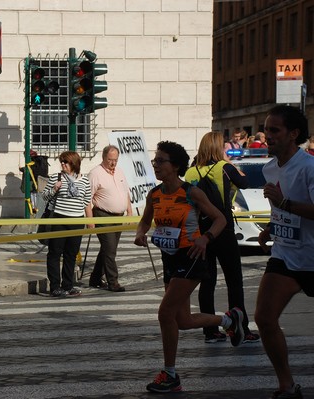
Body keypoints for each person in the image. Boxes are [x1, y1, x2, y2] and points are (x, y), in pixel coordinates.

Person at [134, 141, 244, 393]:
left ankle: (170, 375)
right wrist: (141, 233)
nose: (155, 165)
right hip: (169, 258)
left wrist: (206, 238)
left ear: (175, 166)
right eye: (155, 160)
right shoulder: (154, 194)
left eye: (160, 161)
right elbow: (144, 221)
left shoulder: (191, 193)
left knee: (165, 314)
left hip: (191, 256)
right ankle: (228, 320)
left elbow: (220, 219)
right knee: (181, 320)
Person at [255, 105, 313, 399]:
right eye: (266, 129)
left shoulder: (310, 167)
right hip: (286, 256)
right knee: (264, 318)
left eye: (274, 130)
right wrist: (271, 227)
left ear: (294, 134)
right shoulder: (269, 168)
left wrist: (285, 203)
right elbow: (279, 208)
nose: (267, 136)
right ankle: (287, 386)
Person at [185, 132, 260, 344]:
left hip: (200, 231)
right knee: (234, 281)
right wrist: (229, 163)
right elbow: (244, 184)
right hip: (223, 228)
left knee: (206, 282)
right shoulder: (224, 167)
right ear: (218, 148)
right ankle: (240, 328)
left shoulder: (190, 171)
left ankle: (210, 331)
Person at [41, 151, 92, 298]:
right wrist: (54, 188)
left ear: (74, 164)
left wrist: (90, 220)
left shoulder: (84, 181)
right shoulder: (56, 178)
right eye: (62, 162)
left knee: (71, 255)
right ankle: (55, 286)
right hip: (59, 220)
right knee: (55, 254)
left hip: (76, 221)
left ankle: (68, 285)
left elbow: (86, 200)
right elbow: (44, 196)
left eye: (66, 162)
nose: (63, 165)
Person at [87, 145, 132, 292]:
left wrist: (129, 212)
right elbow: (87, 198)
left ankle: (95, 278)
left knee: (108, 249)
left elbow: (126, 193)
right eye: (110, 160)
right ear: (104, 158)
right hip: (103, 214)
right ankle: (113, 281)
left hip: (118, 216)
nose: (113, 163)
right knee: (110, 249)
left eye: (115, 160)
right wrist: (90, 220)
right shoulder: (95, 173)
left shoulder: (119, 172)